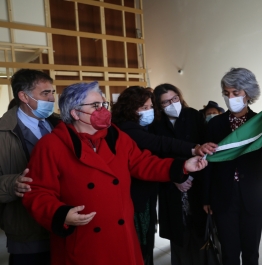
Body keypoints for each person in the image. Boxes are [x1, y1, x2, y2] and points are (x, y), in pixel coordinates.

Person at [21, 81, 208, 265]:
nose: (103, 110)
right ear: (75, 112)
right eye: (96, 105)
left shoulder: (116, 137)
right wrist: (60, 214)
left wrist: (183, 166)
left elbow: (144, 163)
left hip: (121, 237)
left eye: (104, 104)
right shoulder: (51, 146)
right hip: (84, 241)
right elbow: (36, 191)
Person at [110, 86, 217, 265]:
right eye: (144, 107)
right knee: (142, 243)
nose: (149, 111)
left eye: (150, 106)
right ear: (131, 108)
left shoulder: (191, 116)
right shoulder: (128, 129)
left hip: (153, 190)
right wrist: (192, 151)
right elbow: (160, 144)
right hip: (138, 195)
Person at [203, 68, 262, 265]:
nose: (230, 98)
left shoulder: (260, 123)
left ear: (248, 93)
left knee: (251, 253)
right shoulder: (215, 125)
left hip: (254, 196)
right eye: (226, 93)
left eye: (235, 93)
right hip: (223, 197)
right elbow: (207, 164)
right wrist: (206, 197)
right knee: (229, 253)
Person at [0, 69, 56, 265]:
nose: (52, 99)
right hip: (26, 229)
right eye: (45, 94)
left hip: (60, 221)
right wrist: (12, 184)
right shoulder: (3, 133)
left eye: (52, 93)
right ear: (24, 96)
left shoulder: (59, 125)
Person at [151, 83, 208, 265]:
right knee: (178, 234)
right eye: (166, 102)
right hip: (170, 183)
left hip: (197, 181)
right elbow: (155, 156)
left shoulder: (194, 115)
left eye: (174, 99)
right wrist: (176, 178)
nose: (172, 104)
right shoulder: (155, 123)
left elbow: (204, 146)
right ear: (159, 106)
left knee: (200, 231)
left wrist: (192, 175)